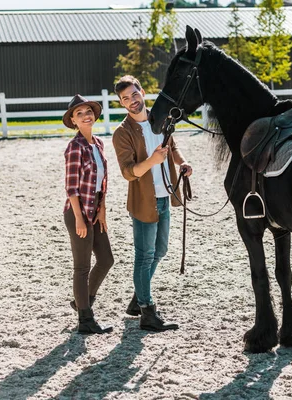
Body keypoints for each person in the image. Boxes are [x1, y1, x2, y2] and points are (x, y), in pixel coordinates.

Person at [112, 75, 193, 332]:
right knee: (144, 256)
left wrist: (181, 162)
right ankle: (147, 311)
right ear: (121, 103)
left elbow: (172, 146)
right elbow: (128, 172)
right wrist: (152, 161)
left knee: (160, 251)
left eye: (134, 95)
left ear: (142, 92)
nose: (132, 101)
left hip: (164, 195)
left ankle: (138, 298)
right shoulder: (122, 133)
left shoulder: (160, 120)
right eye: (125, 99)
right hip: (143, 200)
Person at [63, 94, 114, 334]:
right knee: (82, 267)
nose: (86, 116)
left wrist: (102, 211)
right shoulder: (74, 147)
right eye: (80, 113)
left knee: (106, 260)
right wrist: (80, 219)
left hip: (95, 210)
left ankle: (82, 301)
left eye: (88, 111)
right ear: (73, 121)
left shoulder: (99, 144)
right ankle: (85, 320)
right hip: (78, 212)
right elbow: (71, 188)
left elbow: (102, 181)